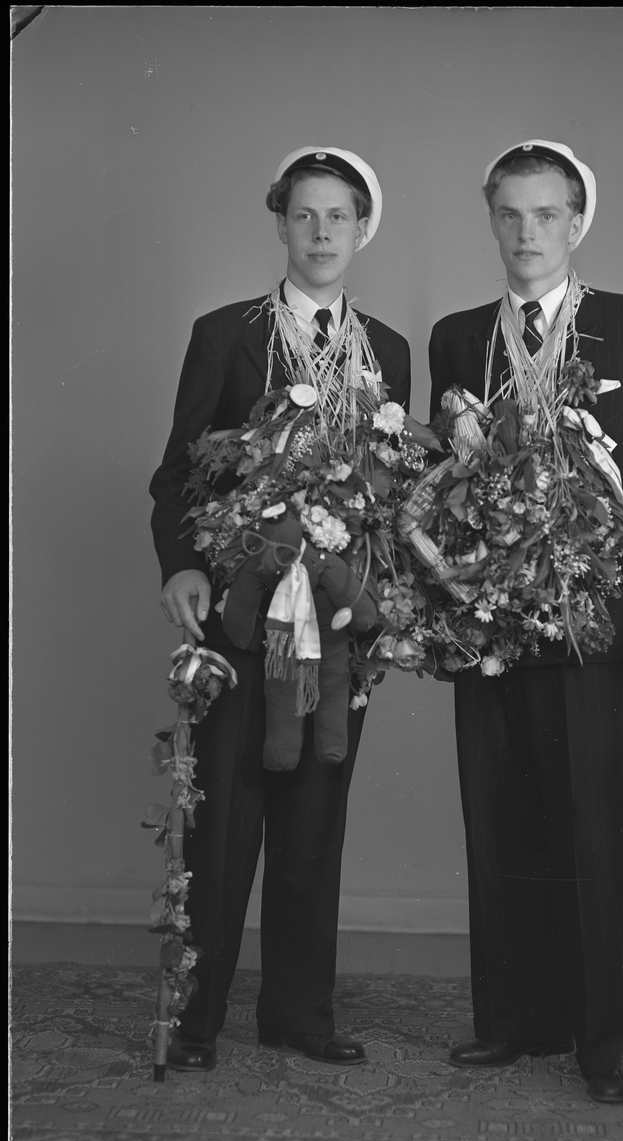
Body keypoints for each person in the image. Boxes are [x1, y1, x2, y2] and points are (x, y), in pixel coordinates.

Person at [428, 140, 623, 1103]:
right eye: (509, 214)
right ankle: (516, 1020)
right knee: (497, 815)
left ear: (577, 221)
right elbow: (440, 482)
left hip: (590, 611)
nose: (527, 233)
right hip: (483, 613)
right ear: (491, 220)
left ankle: (605, 1039)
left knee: (590, 826)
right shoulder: (457, 336)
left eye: (546, 214)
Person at [150, 147, 410, 1072]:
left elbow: (391, 490)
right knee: (225, 818)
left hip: (336, 622)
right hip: (243, 613)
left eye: (338, 216)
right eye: (304, 214)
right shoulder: (226, 333)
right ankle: (195, 1018)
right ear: (280, 224)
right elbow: (177, 473)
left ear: (361, 229)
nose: (321, 232)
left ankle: (298, 1012)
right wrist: (183, 566)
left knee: (314, 811)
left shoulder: (387, 348)